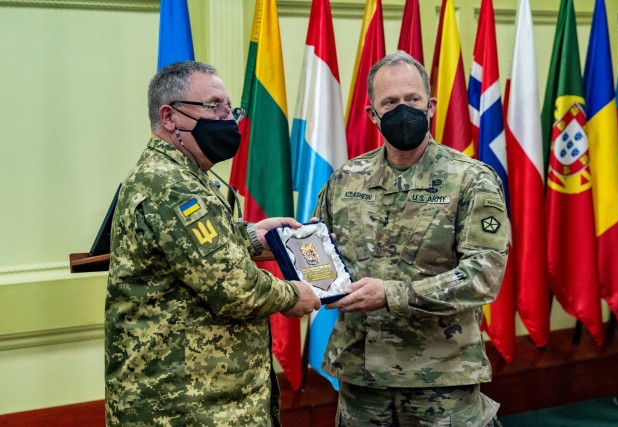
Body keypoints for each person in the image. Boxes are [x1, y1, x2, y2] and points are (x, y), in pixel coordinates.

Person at [105, 61, 321, 426]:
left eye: (229, 108)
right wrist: (292, 295)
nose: (228, 118)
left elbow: (190, 253)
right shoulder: (172, 186)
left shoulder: (184, 176)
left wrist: (252, 236)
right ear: (170, 117)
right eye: (214, 106)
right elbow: (234, 288)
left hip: (205, 399)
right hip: (184, 406)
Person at [313, 51, 510, 426]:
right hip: (361, 376)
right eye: (390, 103)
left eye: (413, 100)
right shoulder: (346, 179)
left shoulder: (471, 179)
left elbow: (483, 275)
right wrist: (284, 252)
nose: (403, 110)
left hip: (440, 379)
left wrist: (392, 294)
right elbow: (317, 250)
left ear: (431, 106)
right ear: (372, 114)